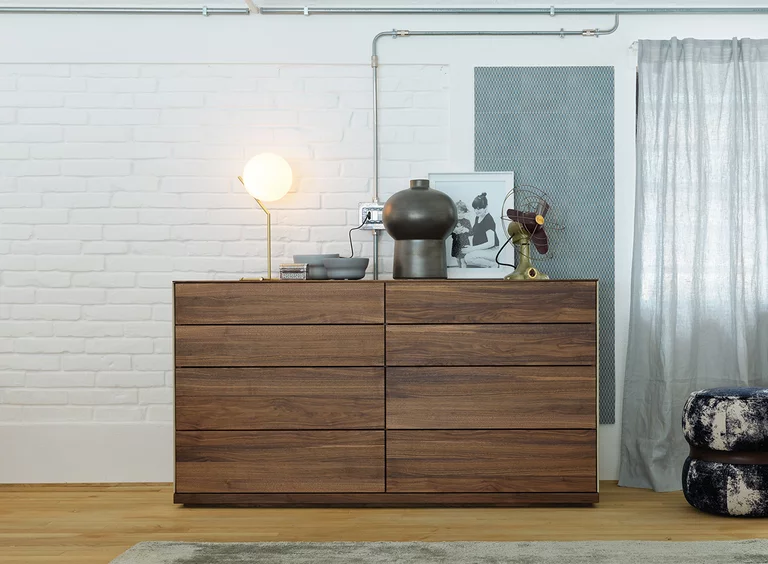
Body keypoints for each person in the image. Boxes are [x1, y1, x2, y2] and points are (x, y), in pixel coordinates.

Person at [463, 192, 499, 268]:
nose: (476, 211)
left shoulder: (488, 219)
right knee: (464, 257)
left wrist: (472, 249)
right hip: (483, 251)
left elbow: (491, 243)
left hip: (492, 250)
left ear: (486, 207)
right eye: (475, 208)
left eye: (479, 208)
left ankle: (493, 265)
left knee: (468, 258)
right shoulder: (478, 217)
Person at [450, 200, 473, 267]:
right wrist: (454, 230)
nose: (461, 214)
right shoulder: (453, 221)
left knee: (463, 260)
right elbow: (448, 232)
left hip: (464, 243)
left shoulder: (467, 221)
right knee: (457, 259)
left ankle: (464, 272)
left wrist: (466, 230)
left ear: (465, 212)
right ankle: (460, 270)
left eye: (463, 212)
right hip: (456, 243)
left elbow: (471, 232)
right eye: (458, 213)